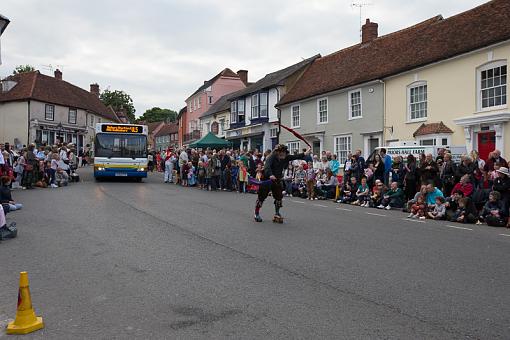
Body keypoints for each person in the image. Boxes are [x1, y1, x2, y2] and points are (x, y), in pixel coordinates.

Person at [254, 144, 310, 222]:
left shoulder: (286, 157)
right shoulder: (271, 157)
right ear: (277, 152)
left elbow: (295, 156)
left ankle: (277, 213)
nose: (283, 154)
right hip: (267, 180)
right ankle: (256, 213)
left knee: (279, 197)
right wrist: (270, 175)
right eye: (281, 152)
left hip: (277, 180)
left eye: (284, 152)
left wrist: (304, 153)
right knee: (261, 197)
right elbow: (267, 167)